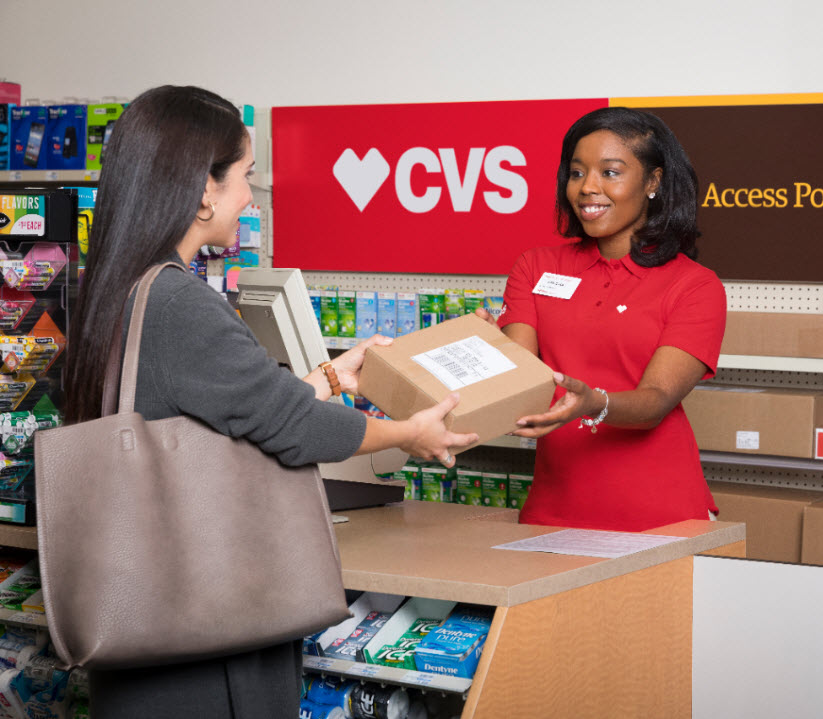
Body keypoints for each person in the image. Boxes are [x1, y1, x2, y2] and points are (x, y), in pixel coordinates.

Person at [63, 85, 477, 719]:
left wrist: (336, 377)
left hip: (145, 626)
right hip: (205, 632)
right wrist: (408, 435)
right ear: (205, 186)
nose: (249, 198)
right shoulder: (179, 302)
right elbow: (290, 428)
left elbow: (233, 406)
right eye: (245, 178)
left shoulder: (116, 287)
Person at [479, 106, 726, 532]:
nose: (588, 188)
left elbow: (655, 402)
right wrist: (486, 353)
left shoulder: (694, 286)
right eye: (577, 173)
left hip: (659, 515)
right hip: (551, 511)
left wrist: (594, 402)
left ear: (654, 181)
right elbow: (521, 389)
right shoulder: (535, 268)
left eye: (610, 172)